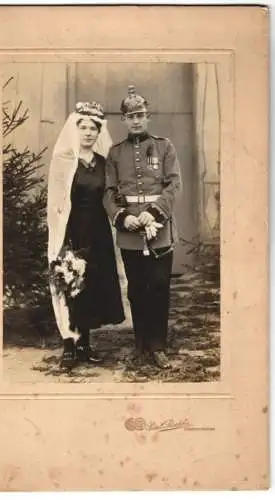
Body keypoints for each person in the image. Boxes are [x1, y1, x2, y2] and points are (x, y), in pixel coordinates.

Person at [103, 85, 182, 369]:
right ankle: (140, 344)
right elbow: (108, 191)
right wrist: (123, 217)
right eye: (130, 116)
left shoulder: (165, 146)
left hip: (159, 228)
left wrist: (153, 212)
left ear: (148, 117)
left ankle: (158, 346)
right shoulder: (115, 153)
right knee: (136, 289)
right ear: (123, 120)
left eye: (141, 115)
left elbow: (174, 184)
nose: (136, 121)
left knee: (159, 286)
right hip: (130, 232)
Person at [47, 102, 125, 369]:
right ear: (75, 130)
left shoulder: (104, 163)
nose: (89, 133)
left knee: (91, 284)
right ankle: (68, 344)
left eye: (94, 128)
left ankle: (85, 344)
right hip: (73, 228)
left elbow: (112, 195)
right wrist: (61, 239)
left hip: (99, 231)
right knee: (70, 281)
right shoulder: (65, 162)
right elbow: (57, 202)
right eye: (84, 128)